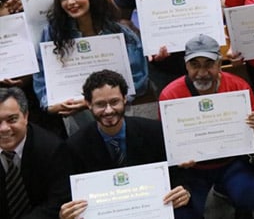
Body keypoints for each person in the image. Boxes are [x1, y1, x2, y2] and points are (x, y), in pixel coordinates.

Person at [59, 70, 192, 219]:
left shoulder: (154, 131)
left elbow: (177, 173)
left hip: (150, 210)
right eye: (100, 104)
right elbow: (67, 194)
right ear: (88, 104)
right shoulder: (74, 146)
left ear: (124, 99)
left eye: (114, 102)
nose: (108, 110)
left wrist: (184, 190)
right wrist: (66, 212)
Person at [159, 34, 254, 217]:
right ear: (186, 66)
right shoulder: (170, 95)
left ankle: (236, 201)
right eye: (195, 65)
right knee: (182, 214)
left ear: (219, 64)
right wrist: (178, 158)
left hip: (232, 161)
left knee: (253, 196)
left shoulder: (238, 86)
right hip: (192, 170)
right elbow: (165, 143)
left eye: (208, 64)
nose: (202, 73)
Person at [33, 0, 148, 135]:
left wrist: (96, 101)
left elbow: (139, 77)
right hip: (74, 115)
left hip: (115, 111)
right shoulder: (52, 33)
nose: (70, 2)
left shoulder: (119, 32)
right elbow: (41, 72)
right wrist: (49, 104)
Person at [0, 87, 70, 219]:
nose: (4, 128)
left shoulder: (52, 148)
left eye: (12, 119)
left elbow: (58, 202)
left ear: (25, 116)